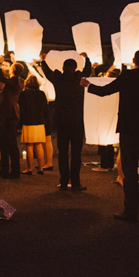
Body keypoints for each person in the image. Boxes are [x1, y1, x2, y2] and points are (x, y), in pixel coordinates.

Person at [81, 49, 139, 220]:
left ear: (134, 60)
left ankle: (131, 211)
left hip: (130, 129)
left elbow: (105, 91)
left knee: (130, 170)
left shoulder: (128, 76)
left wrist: (88, 85)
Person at [42, 52, 91, 191]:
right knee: (76, 153)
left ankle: (63, 182)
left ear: (63, 68)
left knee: (62, 152)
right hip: (77, 121)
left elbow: (47, 72)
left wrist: (43, 60)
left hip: (62, 121)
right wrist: (86, 58)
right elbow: (88, 70)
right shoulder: (79, 79)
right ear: (75, 68)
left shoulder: (58, 79)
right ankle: (76, 183)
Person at [0, 55, 24, 179]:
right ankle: (4, 169)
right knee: (3, 144)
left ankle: (15, 171)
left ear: (12, 70)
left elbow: (1, 77)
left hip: (10, 116)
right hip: (4, 116)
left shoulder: (15, 81)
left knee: (11, 144)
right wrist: (14, 61)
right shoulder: (14, 80)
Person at [18, 74, 49, 175]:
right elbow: (45, 108)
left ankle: (29, 168)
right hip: (39, 121)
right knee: (39, 145)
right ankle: (41, 168)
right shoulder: (41, 94)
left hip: (28, 122)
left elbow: (21, 109)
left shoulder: (24, 94)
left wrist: (19, 122)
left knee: (29, 146)